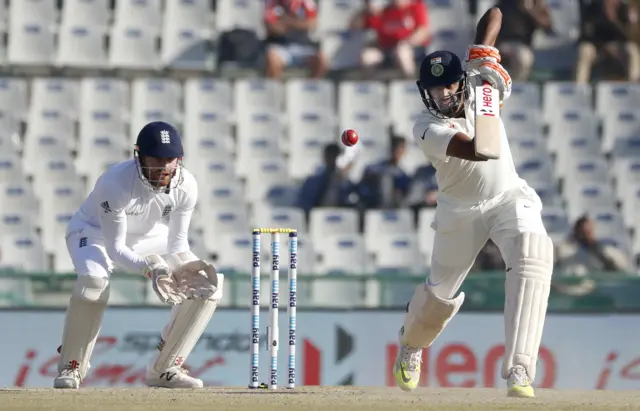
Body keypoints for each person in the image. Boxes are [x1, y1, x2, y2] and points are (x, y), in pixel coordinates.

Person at [392, 7, 554, 398]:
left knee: (534, 253)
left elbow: (495, 14)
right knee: (438, 297)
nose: (442, 94)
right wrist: (487, 97)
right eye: (434, 89)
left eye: (449, 85)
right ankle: (411, 346)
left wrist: (483, 53)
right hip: (459, 212)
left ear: (459, 81)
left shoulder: (480, 83)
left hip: (508, 196)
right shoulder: (425, 127)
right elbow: (481, 150)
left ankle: (520, 370)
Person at [54, 121, 222, 389]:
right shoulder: (115, 183)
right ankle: (71, 366)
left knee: (208, 287)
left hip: (149, 237)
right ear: (139, 156)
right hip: (94, 232)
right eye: (157, 159)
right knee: (94, 283)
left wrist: (186, 265)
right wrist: (151, 269)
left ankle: (165, 368)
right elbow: (115, 249)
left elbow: (177, 244)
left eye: (171, 159)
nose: (165, 167)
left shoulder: (187, 185)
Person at [351, 0, 431, 78]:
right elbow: (354, 26)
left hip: (410, 49)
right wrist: (366, 10)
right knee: (366, 57)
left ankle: (411, 83)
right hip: (385, 50)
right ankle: (374, 87)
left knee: (402, 52)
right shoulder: (383, 10)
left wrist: (407, 42)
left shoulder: (415, 6)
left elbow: (422, 32)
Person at [575, 0, 640, 83]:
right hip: (597, 47)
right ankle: (580, 87)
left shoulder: (624, 9)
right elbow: (586, 34)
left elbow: (628, 38)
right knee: (585, 50)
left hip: (617, 48)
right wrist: (604, 46)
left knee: (632, 49)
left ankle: (634, 84)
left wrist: (632, 24)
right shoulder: (593, 8)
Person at [263, 0, 327, 79]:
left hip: (303, 46)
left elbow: (312, 23)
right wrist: (298, 24)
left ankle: (310, 87)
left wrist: (288, 22)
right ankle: (274, 88)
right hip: (280, 46)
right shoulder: (273, 3)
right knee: (272, 58)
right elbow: (273, 27)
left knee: (321, 58)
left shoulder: (306, 2)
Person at [495, 0, 552, 81]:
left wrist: (529, 11)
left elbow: (548, 28)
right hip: (503, 43)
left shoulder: (537, 3)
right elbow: (492, 24)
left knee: (522, 57)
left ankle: (516, 87)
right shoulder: (505, 3)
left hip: (523, 45)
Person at [296, 143, 356, 216]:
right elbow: (304, 206)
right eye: (331, 157)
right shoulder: (313, 182)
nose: (333, 160)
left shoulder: (345, 182)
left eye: (336, 157)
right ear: (325, 158)